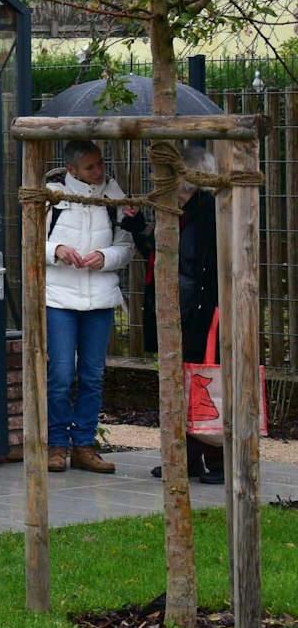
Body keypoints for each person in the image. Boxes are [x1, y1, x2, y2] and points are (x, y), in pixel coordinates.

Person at [123, 145, 221, 483]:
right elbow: (160, 254)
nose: (157, 181)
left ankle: (218, 460)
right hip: (177, 308)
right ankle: (185, 460)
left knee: (205, 382)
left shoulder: (210, 211)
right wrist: (136, 226)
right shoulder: (175, 210)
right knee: (179, 384)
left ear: (186, 179)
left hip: (204, 311)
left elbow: (205, 266)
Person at [44, 139, 134, 475]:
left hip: (100, 297)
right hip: (59, 298)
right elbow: (30, 240)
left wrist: (105, 257)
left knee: (93, 376)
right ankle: (56, 445)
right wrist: (56, 250)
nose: (99, 172)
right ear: (72, 170)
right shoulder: (52, 196)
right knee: (62, 375)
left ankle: (83, 445)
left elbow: (126, 246)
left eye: (100, 164)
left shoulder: (114, 196)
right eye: (91, 167)